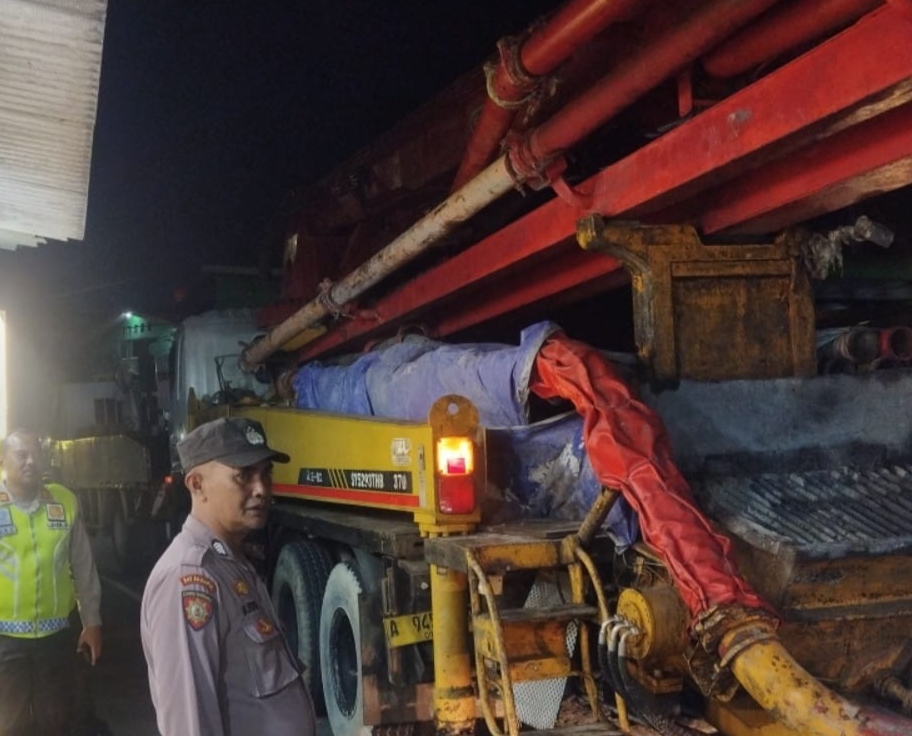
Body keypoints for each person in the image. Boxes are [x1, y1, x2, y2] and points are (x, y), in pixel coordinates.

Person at [141, 416, 316, 736]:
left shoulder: (232, 563)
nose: (261, 489)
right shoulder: (190, 578)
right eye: (243, 476)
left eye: (266, 474)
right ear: (197, 484)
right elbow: (190, 724)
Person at [0, 429, 103, 736]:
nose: (31, 461)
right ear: (3, 460)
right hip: (5, 639)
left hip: (56, 637)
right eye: (22, 455)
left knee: (57, 720)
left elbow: (83, 566)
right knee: (10, 723)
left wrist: (92, 622)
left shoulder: (64, 502)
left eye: (36, 455)